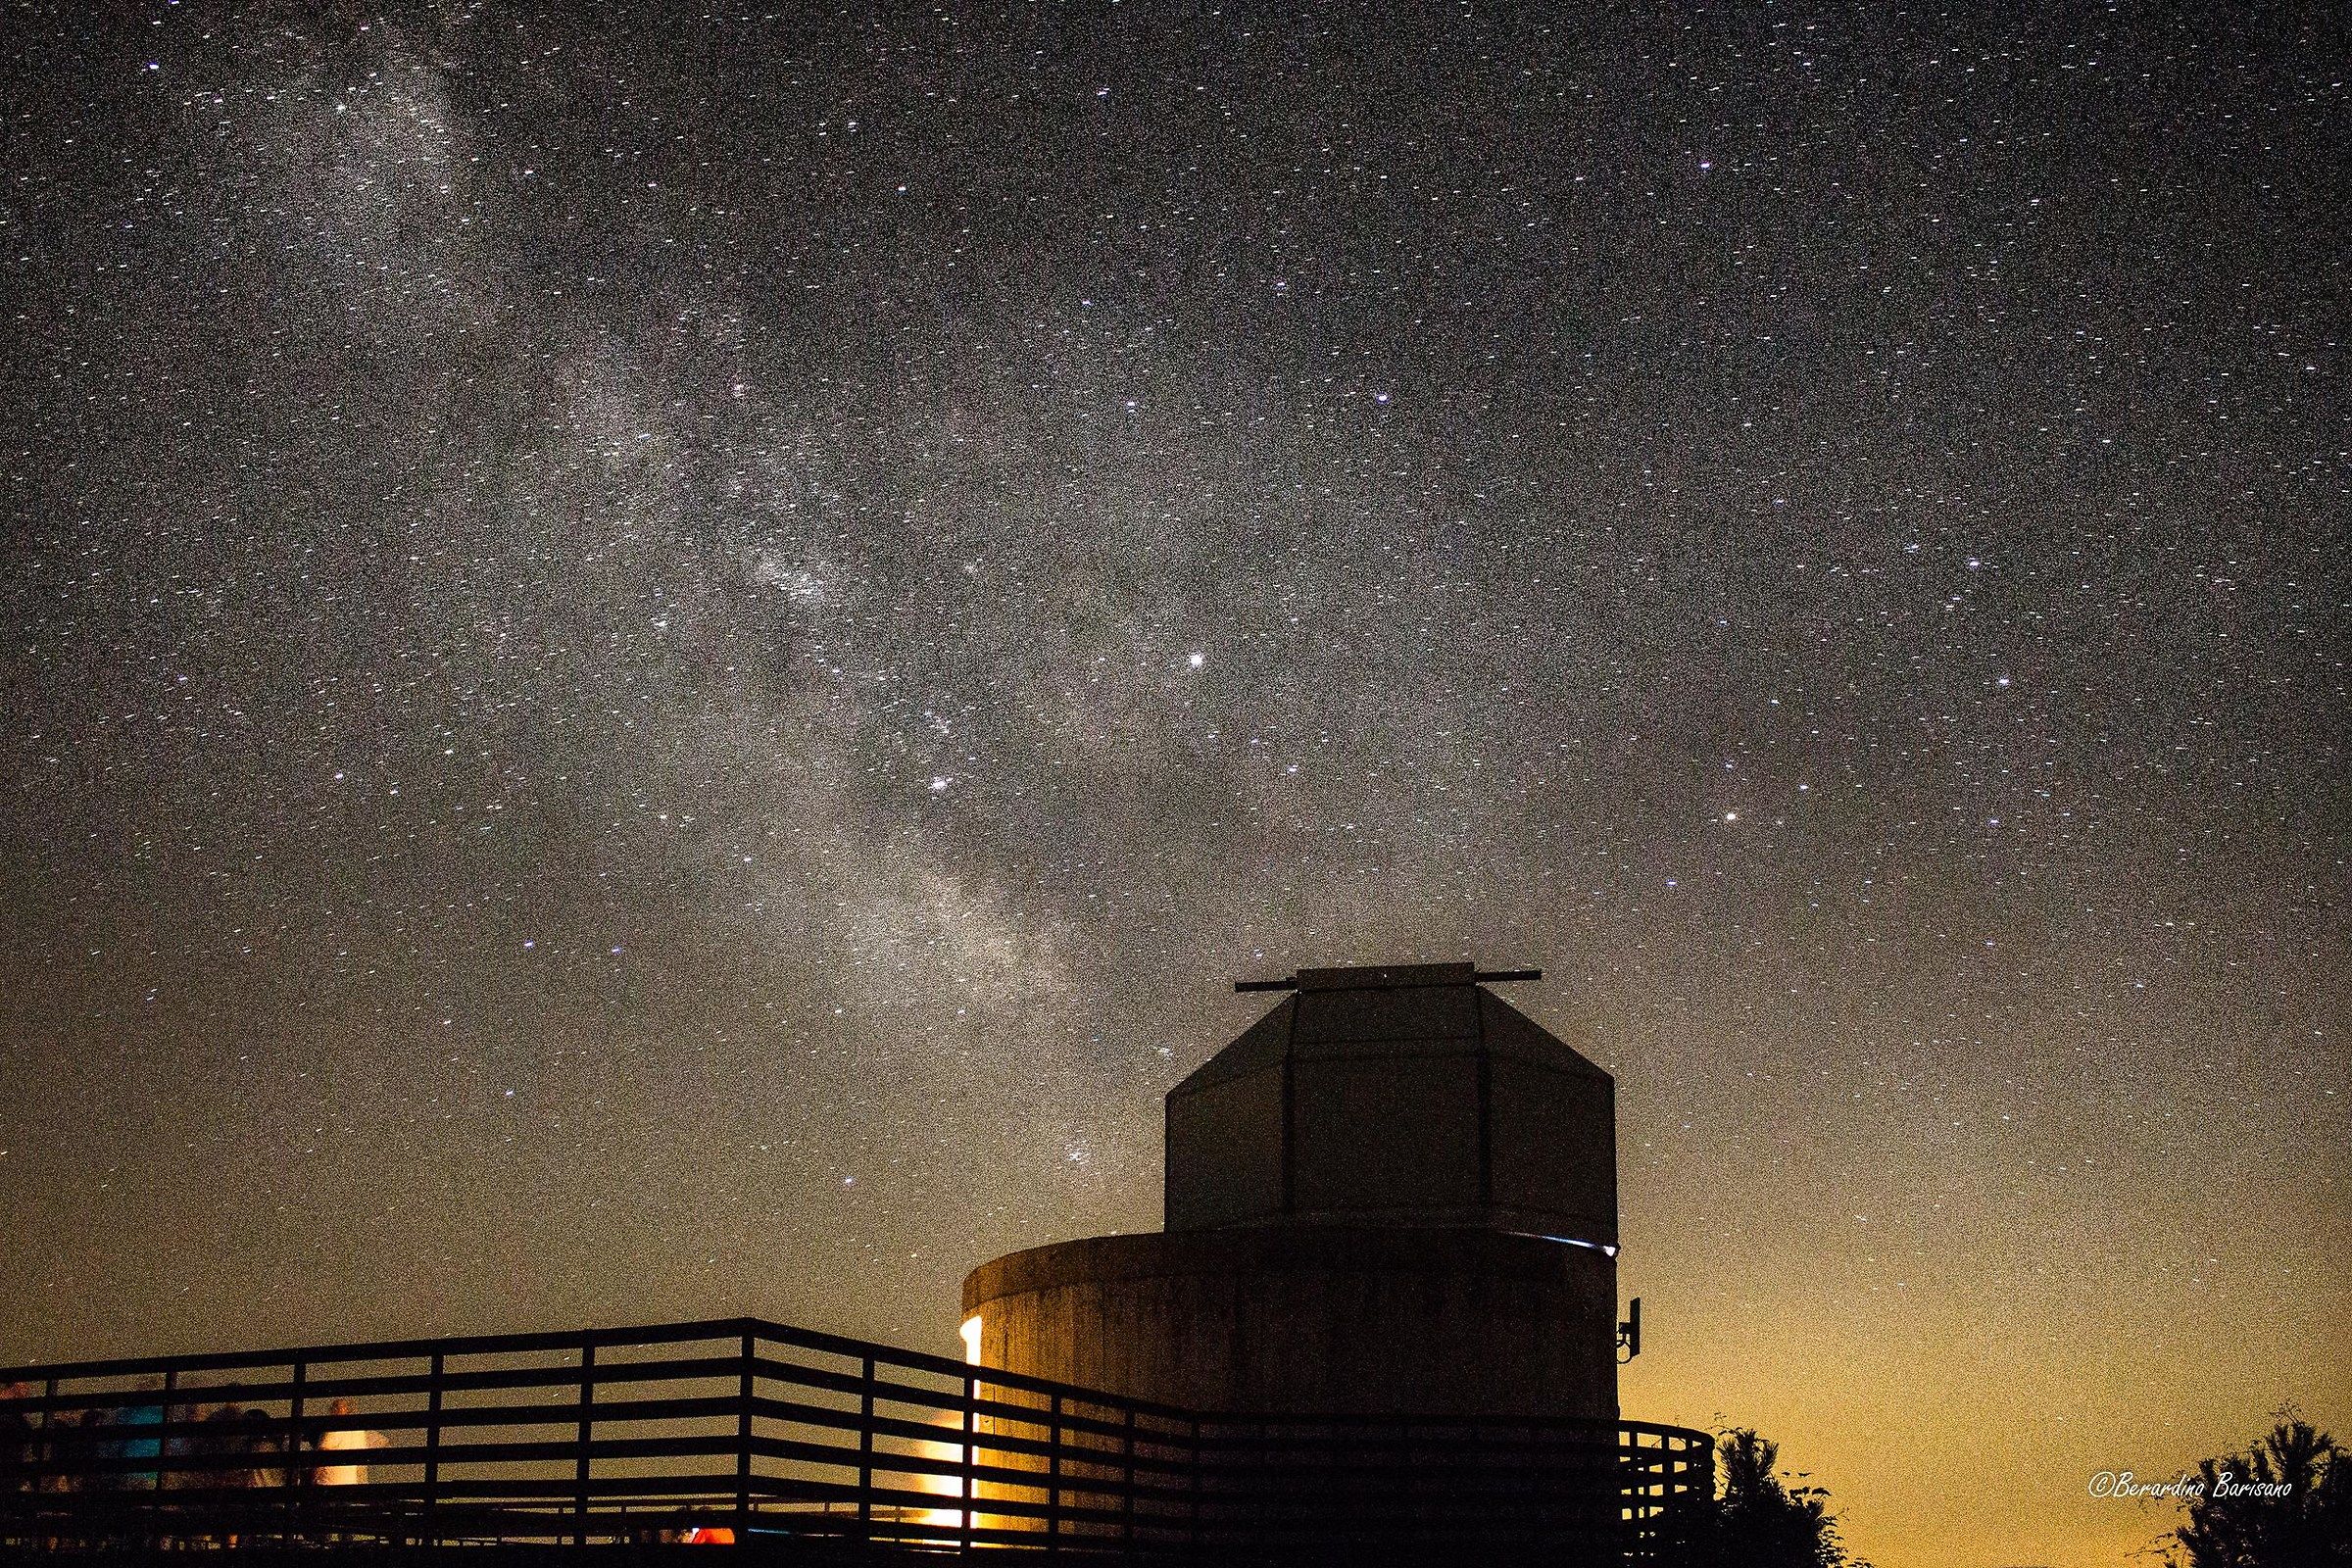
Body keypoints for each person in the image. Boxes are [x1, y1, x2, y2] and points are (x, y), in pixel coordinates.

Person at [311, 1398, 388, 1487]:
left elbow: (323, 1453)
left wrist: (313, 1476)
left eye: (334, 1408)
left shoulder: (334, 1426)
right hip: (350, 1483)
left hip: (330, 1481)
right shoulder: (359, 1431)